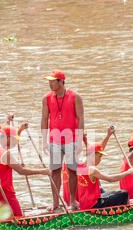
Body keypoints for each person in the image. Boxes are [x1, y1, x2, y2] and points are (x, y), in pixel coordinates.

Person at [41, 70, 84, 212]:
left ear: (60, 81)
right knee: (55, 171)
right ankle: (55, 203)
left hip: (71, 139)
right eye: (49, 81)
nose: (50, 83)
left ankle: (73, 201)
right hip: (54, 139)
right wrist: (44, 140)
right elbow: (44, 119)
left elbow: (81, 118)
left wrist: (79, 141)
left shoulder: (75, 96)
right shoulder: (46, 98)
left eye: (52, 81)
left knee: (72, 171)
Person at [0, 126, 50, 218]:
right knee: (18, 216)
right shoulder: (6, 154)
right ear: (7, 138)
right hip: (5, 190)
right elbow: (21, 171)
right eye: (14, 139)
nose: (16, 142)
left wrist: (19, 130)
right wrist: (42, 171)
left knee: (2, 216)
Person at [77, 143, 133, 210]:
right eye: (100, 156)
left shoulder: (79, 165)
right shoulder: (92, 170)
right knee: (124, 193)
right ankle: (120, 214)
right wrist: (128, 172)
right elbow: (111, 179)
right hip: (93, 204)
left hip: (84, 203)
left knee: (102, 189)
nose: (100, 160)